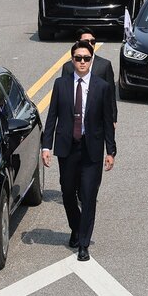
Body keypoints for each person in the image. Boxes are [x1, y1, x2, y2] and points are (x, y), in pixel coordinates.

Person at [41, 40, 117, 262]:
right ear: (72, 60)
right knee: (67, 193)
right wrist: (46, 146)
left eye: (86, 58)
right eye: (78, 58)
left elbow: (107, 121)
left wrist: (111, 151)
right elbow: (52, 116)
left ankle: (83, 244)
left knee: (88, 195)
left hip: (91, 148)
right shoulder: (60, 84)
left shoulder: (101, 87)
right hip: (67, 147)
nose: (82, 62)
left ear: (91, 60)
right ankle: (76, 227)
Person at [60, 29, 117, 125]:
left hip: (97, 120)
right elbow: (64, 96)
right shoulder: (68, 67)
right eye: (86, 42)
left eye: (93, 42)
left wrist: (113, 119)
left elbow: (110, 95)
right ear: (77, 43)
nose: (90, 44)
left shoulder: (104, 65)